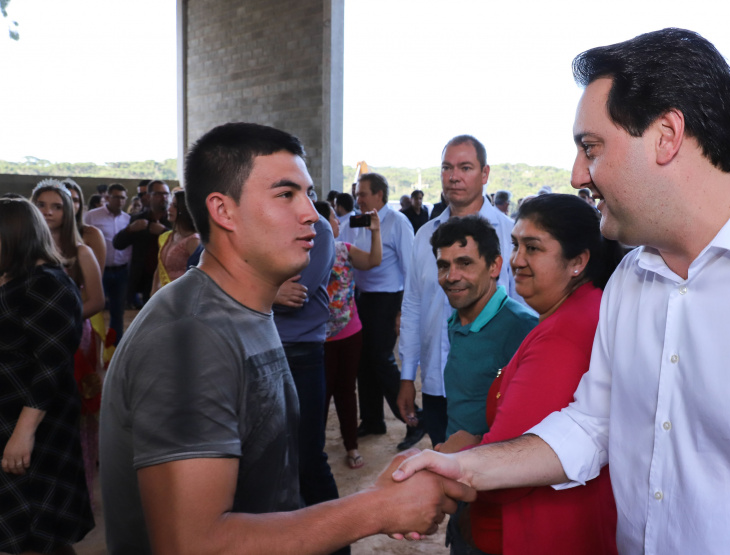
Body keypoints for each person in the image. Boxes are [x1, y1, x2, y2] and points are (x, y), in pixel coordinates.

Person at [395, 28, 730, 554]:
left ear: (667, 134)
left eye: (591, 148)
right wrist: (463, 466)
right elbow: (593, 424)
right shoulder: (630, 280)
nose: (578, 174)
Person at [99, 122, 473, 554]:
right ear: (223, 211)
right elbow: (194, 544)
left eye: (307, 194)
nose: (311, 213)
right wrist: (376, 508)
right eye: (285, 194)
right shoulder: (189, 337)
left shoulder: (242, 310)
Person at [436, 197, 619, 555]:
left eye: (533, 248)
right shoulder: (580, 310)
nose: (518, 261)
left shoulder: (562, 335)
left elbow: (513, 464)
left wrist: (461, 454)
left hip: (536, 529)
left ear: (577, 262)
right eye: (517, 245)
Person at [398, 135, 523, 448]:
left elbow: (526, 311)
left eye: (465, 167)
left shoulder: (511, 235)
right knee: (445, 467)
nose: (453, 176)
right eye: (447, 168)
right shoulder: (425, 235)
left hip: (493, 383)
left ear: (484, 174)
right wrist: (406, 376)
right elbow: (414, 305)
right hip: (436, 382)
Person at [0, 198, 95, 554]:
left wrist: (23, 435)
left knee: (38, 529)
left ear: (14, 236)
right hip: (8, 415)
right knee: (19, 530)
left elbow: (50, 367)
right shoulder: (13, 276)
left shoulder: (47, 285)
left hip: (35, 423)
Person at [31, 179, 106, 507]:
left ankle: (75, 490)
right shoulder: (24, 247)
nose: (48, 212)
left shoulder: (81, 250)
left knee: (70, 408)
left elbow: (98, 299)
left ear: (69, 210)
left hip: (73, 335)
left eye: (56, 206)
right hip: (30, 335)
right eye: (42, 205)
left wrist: (62, 323)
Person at [271, 184, 342, 531]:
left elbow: (298, 293)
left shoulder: (320, 229)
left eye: (305, 190)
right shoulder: (261, 223)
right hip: (256, 350)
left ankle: (334, 543)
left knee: (308, 458)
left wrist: (247, 285)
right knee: (265, 458)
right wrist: (272, 290)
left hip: (302, 355)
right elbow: (203, 268)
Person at [337, 172, 417, 447]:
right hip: (360, 300)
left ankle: (413, 421)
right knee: (362, 362)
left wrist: (402, 311)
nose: (358, 198)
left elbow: (411, 270)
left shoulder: (397, 222)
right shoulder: (353, 222)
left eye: (363, 194)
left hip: (388, 299)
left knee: (382, 360)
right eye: (357, 194)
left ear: (379, 195)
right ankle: (373, 420)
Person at [314, 200, 382, 470]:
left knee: (345, 390)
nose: (338, 222)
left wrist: (376, 231)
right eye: (333, 217)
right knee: (321, 394)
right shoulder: (303, 254)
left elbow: (374, 260)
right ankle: (313, 450)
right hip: (318, 337)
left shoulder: (345, 250)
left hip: (350, 333)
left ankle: (351, 446)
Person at [84, 183, 132, 344]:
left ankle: (114, 349)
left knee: (117, 313)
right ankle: (91, 347)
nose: (119, 201)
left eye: (123, 198)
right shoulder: (92, 216)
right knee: (93, 312)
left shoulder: (127, 219)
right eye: (116, 197)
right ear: (107, 197)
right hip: (98, 271)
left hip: (121, 271)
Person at [113, 180, 171, 309]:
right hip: (145, 279)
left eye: (166, 194)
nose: (164, 197)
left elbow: (187, 241)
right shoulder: (137, 219)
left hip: (170, 278)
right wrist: (130, 229)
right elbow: (118, 244)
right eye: (159, 194)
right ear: (149, 196)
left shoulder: (175, 219)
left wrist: (164, 232)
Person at [150, 190, 200, 296]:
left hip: (180, 298)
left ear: (185, 210)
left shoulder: (194, 241)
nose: (169, 209)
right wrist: (153, 294)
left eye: (175, 206)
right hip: (161, 297)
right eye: (170, 204)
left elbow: (197, 278)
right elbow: (159, 269)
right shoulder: (167, 236)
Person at [61, 178, 106, 270]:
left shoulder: (92, 234)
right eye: (66, 198)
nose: (71, 204)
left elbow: (97, 278)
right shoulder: (41, 233)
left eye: (75, 200)